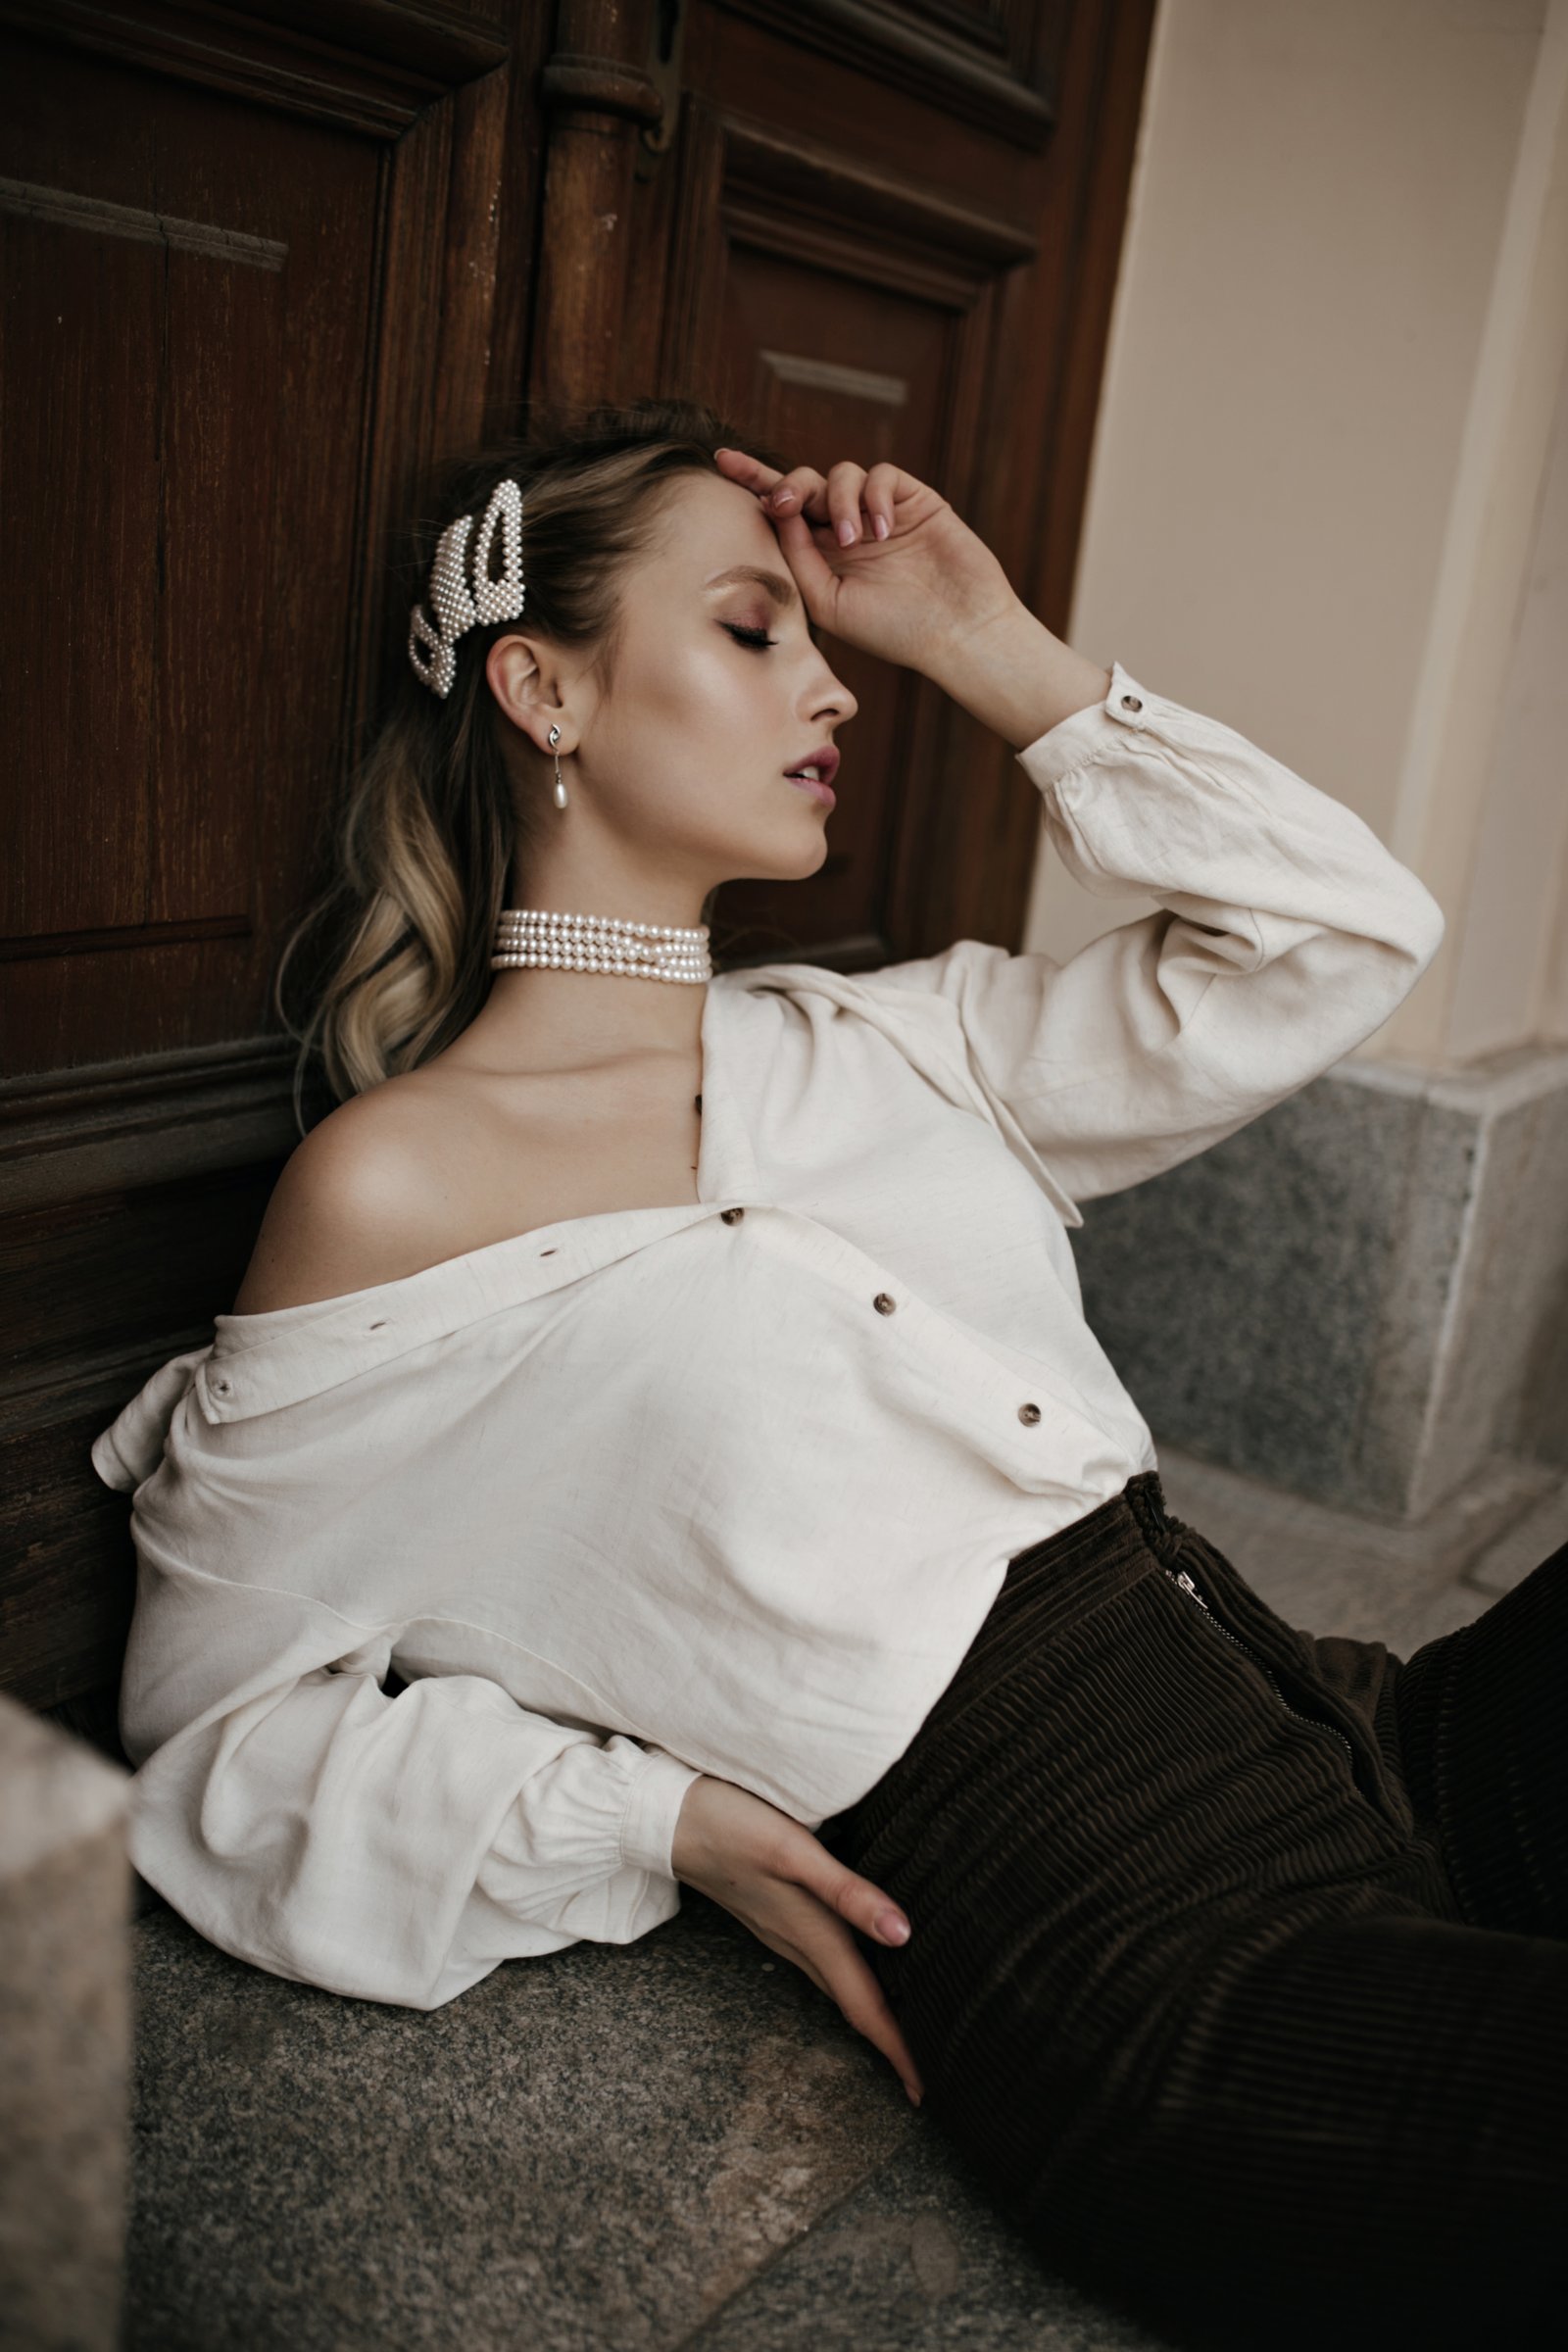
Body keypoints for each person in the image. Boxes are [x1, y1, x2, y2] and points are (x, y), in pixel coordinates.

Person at [92, 397, 1564, 2350]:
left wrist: (989, 647)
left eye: (821, 637)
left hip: (1354, 1728)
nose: (835, 691)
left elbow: (1335, 939)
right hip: (1142, 1961)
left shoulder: (890, 1040)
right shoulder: (396, 1183)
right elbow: (209, 1733)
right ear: (537, 687)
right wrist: (648, 1822)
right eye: (753, 629)